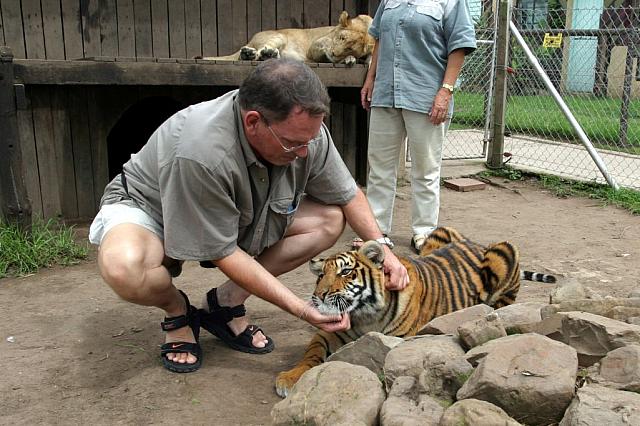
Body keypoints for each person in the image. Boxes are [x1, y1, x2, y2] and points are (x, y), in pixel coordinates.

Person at [89, 58, 410, 373]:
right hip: (151, 209)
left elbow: (347, 193)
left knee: (329, 219)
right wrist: (301, 309)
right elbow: (223, 252)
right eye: (293, 144)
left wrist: (383, 249)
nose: (303, 153)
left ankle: (224, 303)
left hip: (235, 212)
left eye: (309, 141)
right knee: (123, 267)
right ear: (253, 121)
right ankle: (179, 311)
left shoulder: (305, 132)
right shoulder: (200, 150)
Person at [359, 0, 477, 253]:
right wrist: (370, 78)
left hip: (426, 95)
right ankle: (376, 231)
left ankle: (424, 232)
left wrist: (445, 91)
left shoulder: (451, 2)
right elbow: (379, 38)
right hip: (385, 92)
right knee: (379, 168)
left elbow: (459, 46)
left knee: (426, 170)